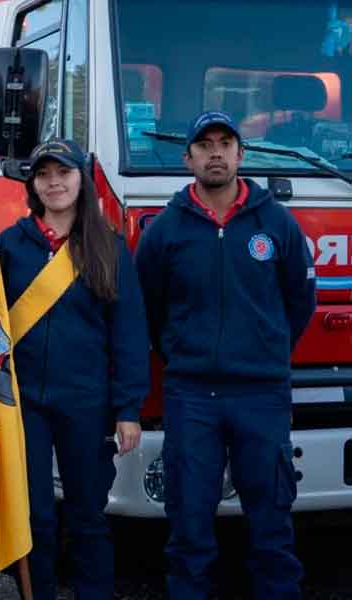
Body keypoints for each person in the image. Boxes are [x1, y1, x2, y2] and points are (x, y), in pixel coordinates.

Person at [135, 111, 316, 599]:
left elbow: (300, 302)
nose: (215, 152)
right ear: (187, 157)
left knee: (272, 528)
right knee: (189, 529)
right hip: (193, 396)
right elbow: (147, 307)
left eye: (225, 143)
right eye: (205, 144)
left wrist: (266, 348)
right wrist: (177, 351)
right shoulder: (166, 230)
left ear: (241, 154)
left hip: (261, 394)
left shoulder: (277, 223)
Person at [0, 139, 150, 599]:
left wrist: (128, 408)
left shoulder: (107, 247)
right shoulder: (7, 245)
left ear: (81, 180)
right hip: (22, 404)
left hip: (87, 402)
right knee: (34, 517)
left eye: (63, 173)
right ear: (32, 186)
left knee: (88, 516)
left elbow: (128, 333)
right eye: (44, 175)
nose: (54, 183)